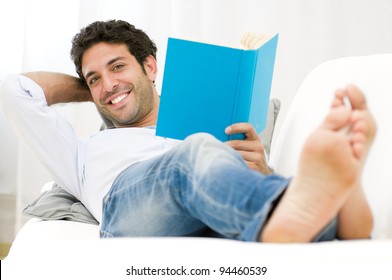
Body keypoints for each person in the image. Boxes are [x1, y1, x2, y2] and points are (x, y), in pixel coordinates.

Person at [0, 19, 376, 242]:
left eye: (118, 67)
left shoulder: (209, 118)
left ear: (150, 66)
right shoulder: (83, 151)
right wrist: (100, 89)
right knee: (195, 151)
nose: (108, 84)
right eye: (94, 77)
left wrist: (262, 168)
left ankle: (339, 215)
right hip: (130, 208)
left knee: (214, 155)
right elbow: (13, 90)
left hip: (211, 203)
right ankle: (302, 214)